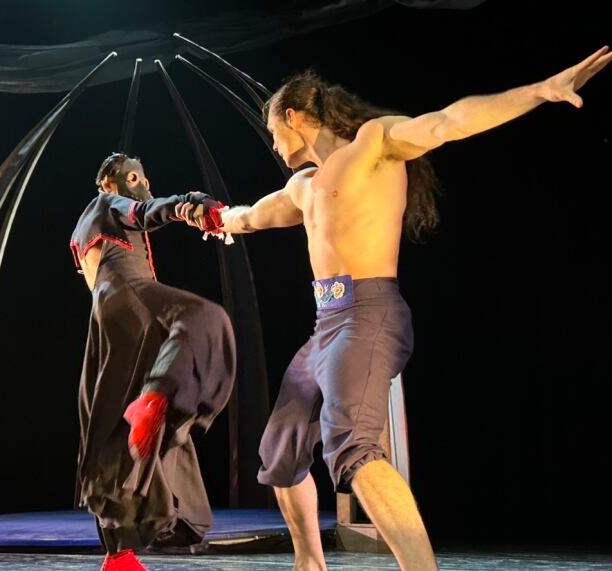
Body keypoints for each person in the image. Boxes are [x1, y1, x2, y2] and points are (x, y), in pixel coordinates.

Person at [177, 46, 611, 571]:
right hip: (326, 327)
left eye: (273, 129)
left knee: (353, 447)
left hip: (369, 314)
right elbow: (250, 216)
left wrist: (538, 91)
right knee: (281, 448)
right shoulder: (303, 186)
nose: (272, 142)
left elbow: (450, 121)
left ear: (293, 117)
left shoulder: (373, 143)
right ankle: (309, 564)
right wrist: (210, 217)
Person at [70, 152, 235, 571]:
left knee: (110, 426)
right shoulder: (107, 204)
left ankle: (117, 555)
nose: (142, 182)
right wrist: (189, 204)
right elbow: (144, 211)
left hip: (107, 319)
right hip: (130, 294)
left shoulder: (87, 227)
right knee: (203, 319)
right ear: (109, 182)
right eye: (133, 176)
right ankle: (158, 397)